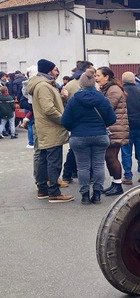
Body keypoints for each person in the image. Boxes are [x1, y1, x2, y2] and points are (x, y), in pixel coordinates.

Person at [61, 70, 116, 204]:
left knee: (83, 167)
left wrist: (74, 128)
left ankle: (85, 195)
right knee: (98, 165)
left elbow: (65, 121)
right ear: (94, 83)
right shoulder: (102, 99)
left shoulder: (74, 100)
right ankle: (97, 194)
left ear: (81, 84)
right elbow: (112, 119)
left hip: (79, 137)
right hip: (100, 135)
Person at [26, 59, 74, 203]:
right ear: (48, 71)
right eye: (54, 69)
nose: (57, 72)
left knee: (43, 160)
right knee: (53, 161)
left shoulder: (44, 85)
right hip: (51, 129)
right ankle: (54, 192)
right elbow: (49, 109)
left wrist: (63, 98)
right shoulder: (43, 86)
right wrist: (63, 120)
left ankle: (43, 189)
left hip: (46, 128)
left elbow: (51, 105)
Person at [95, 67, 129, 196]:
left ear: (107, 77)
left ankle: (118, 185)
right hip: (113, 128)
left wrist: (97, 94)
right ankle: (115, 183)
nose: (96, 78)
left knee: (111, 156)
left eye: (98, 76)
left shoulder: (113, 89)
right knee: (109, 157)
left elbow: (107, 108)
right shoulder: (108, 88)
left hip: (116, 128)